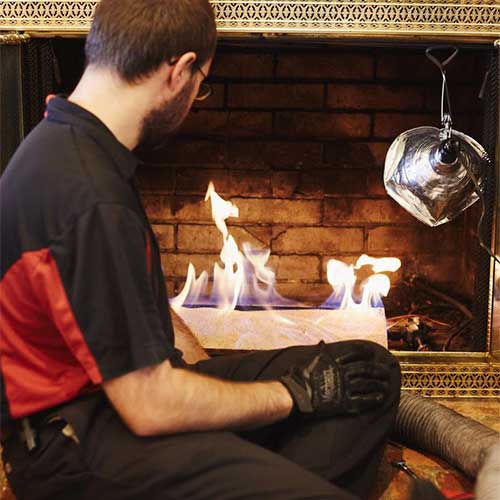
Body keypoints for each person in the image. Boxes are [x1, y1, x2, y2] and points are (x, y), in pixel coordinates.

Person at [0, 1, 401, 499]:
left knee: (367, 373)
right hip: (74, 443)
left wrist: (227, 396)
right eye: (201, 82)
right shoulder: (90, 195)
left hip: (120, 395)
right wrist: (291, 396)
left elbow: (125, 319)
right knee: (316, 408)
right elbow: (150, 405)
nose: (195, 98)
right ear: (181, 70)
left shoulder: (73, 145)